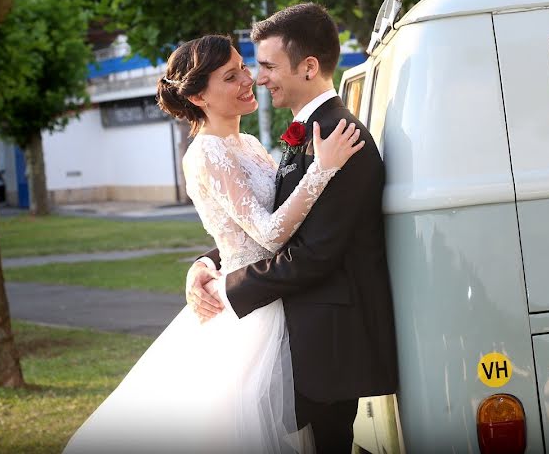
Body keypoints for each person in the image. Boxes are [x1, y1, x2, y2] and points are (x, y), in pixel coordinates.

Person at [63, 34, 363, 454]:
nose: (249, 80)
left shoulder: (251, 144)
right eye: (230, 76)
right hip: (253, 313)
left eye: (244, 68)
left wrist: (203, 261)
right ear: (200, 95)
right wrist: (322, 170)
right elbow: (269, 232)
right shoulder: (204, 153)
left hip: (278, 295)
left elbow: (245, 228)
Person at [186, 3, 398, 453]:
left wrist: (229, 288)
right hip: (296, 332)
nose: (256, 79)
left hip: (330, 335)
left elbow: (315, 253)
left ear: (308, 67)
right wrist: (209, 260)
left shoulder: (341, 136)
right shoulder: (306, 130)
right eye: (246, 69)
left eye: (264, 66)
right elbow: (266, 220)